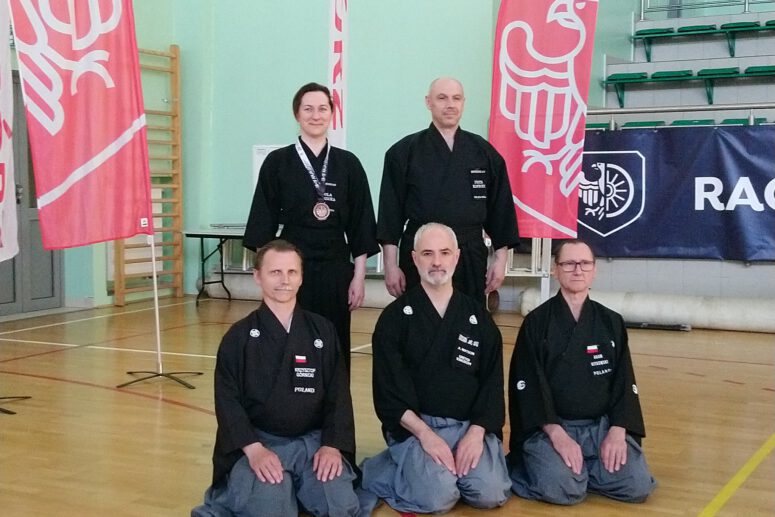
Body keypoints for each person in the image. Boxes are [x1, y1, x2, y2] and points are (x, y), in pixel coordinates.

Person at [192, 240, 363, 517]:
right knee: (272, 508)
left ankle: (295, 486)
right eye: (275, 272)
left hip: (313, 444)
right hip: (261, 443)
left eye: (292, 272)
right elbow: (227, 401)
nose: (285, 280)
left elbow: (338, 395)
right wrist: (254, 450)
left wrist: (332, 445)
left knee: (341, 506)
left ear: (301, 277)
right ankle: (275, 490)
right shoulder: (238, 337)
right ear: (257, 276)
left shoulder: (323, 330)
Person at [361, 223, 511, 514]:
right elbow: (388, 395)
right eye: (428, 254)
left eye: (444, 253)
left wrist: (476, 433)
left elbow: (492, 386)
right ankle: (382, 469)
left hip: (468, 427)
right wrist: (426, 436)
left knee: (490, 493)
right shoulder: (394, 319)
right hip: (417, 430)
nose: (437, 262)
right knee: (439, 497)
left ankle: (428, 470)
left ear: (457, 257)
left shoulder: (479, 318)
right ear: (414, 258)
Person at [507, 239, 657, 505]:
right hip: (552, 428)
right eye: (569, 264)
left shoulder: (611, 321)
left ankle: (578, 472)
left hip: (600, 428)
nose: (577, 270)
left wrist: (617, 431)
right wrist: (556, 434)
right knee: (565, 491)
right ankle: (552, 471)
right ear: (556, 270)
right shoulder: (536, 322)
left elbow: (625, 382)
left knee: (638, 486)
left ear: (594, 270)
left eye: (585, 263)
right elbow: (528, 387)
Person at [244, 82, 379, 372]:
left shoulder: (349, 164)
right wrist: (270, 277)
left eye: (322, 109)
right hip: (291, 268)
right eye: (308, 109)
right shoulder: (277, 162)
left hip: (335, 269)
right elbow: (262, 223)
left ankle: (335, 397)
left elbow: (361, 225)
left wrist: (358, 278)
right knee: (291, 339)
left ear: (331, 114)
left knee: (335, 343)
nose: (315, 116)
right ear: (297, 114)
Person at [377, 77, 519, 305]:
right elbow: (390, 215)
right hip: (421, 254)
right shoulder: (403, 152)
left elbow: (500, 211)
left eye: (456, 98)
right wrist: (391, 265)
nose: (450, 105)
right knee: (420, 318)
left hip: (469, 254)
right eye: (442, 98)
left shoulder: (484, 153)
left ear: (463, 102)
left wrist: (500, 260)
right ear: (428, 102)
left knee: (468, 316)